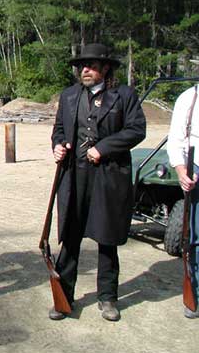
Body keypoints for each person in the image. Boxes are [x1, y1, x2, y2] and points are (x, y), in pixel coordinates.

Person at [50, 43, 146, 321]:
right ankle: (64, 296)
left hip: (109, 174)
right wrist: (57, 145)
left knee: (106, 238)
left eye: (91, 65)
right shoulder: (68, 96)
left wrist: (104, 148)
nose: (85, 70)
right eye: (82, 66)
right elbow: (58, 130)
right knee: (70, 236)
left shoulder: (124, 95)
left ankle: (107, 297)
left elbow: (136, 129)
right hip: (73, 175)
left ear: (106, 68)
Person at [167, 83, 199, 319]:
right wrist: (181, 171)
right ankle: (195, 294)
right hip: (196, 169)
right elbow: (177, 139)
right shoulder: (189, 99)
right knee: (195, 236)